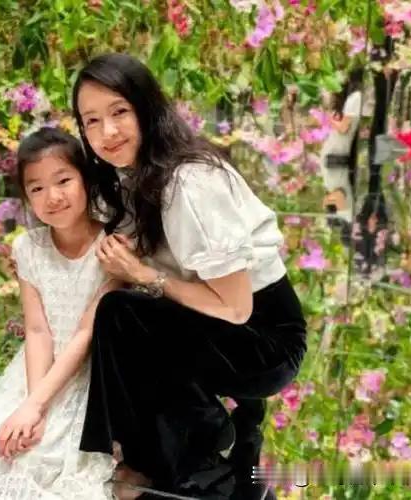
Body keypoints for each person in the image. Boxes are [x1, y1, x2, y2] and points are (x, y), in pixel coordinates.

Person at [72, 53, 308, 499]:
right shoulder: (130, 178)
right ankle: (157, 450)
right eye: (92, 121)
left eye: (119, 112)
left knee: (123, 313)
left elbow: (236, 307)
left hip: (265, 342)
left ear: (147, 108)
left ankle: (193, 441)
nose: (107, 132)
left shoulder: (191, 181)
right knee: (118, 312)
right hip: (216, 326)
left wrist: (143, 274)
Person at [0, 127, 118, 499]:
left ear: (86, 179)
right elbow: (38, 330)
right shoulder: (28, 247)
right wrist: (32, 404)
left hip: (91, 374)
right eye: (37, 188)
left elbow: (85, 333)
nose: (52, 197)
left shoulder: (111, 244)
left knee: (57, 466)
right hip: (37, 370)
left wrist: (37, 407)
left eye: (63, 181)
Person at [321, 67, 365, 224]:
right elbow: (344, 127)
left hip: (336, 153)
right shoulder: (354, 100)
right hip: (338, 149)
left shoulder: (353, 99)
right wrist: (331, 122)